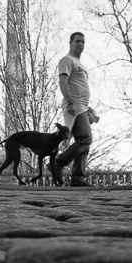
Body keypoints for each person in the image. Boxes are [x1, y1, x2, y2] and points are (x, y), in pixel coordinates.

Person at [54, 32, 93, 187]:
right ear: (70, 42)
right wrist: (71, 103)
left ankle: (78, 178)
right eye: (77, 41)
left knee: (83, 143)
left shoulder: (80, 64)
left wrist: (88, 107)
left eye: (83, 42)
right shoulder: (67, 60)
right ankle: (59, 162)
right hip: (74, 106)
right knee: (85, 138)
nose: (81, 44)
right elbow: (63, 82)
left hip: (82, 107)